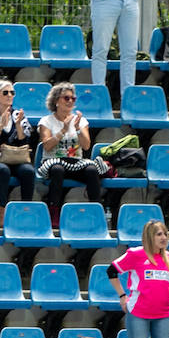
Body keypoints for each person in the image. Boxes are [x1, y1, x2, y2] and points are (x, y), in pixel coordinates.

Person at [37, 82, 104, 229]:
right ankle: (54, 212)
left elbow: (86, 146)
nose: (70, 101)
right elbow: (47, 146)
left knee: (92, 170)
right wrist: (63, 130)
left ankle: (97, 212)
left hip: (75, 162)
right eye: (66, 98)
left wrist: (77, 128)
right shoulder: (46, 121)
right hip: (53, 161)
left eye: (73, 99)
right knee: (57, 170)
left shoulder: (81, 121)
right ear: (56, 101)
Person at [0, 79, 36, 227]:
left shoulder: (19, 116)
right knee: (2, 170)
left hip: (14, 157)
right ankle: (0, 212)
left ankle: (26, 211)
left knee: (28, 171)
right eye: (6, 92)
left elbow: (24, 144)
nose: (10, 95)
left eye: (12, 92)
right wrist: (1, 126)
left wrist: (17, 125)